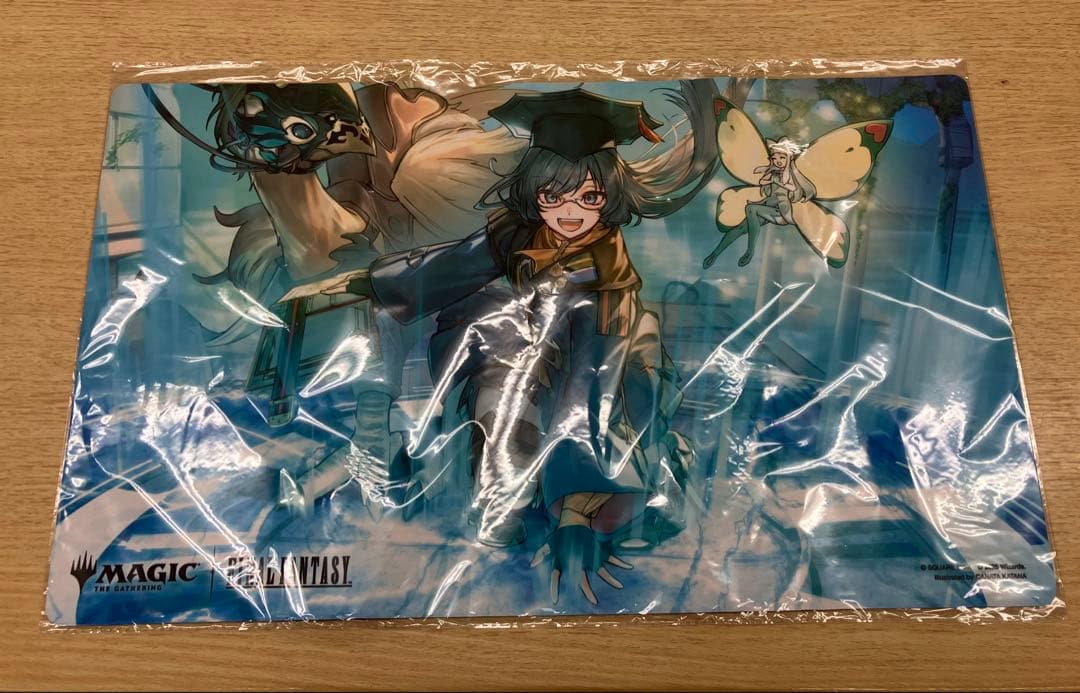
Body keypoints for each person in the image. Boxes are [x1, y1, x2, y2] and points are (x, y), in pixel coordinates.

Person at [327, 83, 718, 604]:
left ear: (610, 196)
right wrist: (372, 281)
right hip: (525, 335)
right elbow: (451, 265)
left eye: (589, 198)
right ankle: (506, 494)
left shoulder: (607, 282)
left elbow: (589, 389)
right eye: (552, 197)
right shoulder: (516, 232)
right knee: (499, 381)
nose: (570, 212)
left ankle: (589, 499)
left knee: (621, 404)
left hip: (610, 358)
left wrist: (575, 512)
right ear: (533, 193)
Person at [702, 137, 816, 268]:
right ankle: (715, 254)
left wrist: (775, 181)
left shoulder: (791, 175)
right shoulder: (774, 173)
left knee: (751, 208)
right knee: (740, 228)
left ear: (789, 158)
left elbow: (792, 190)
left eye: (782, 158)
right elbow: (768, 189)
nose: (778, 161)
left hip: (783, 213)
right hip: (768, 208)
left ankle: (750, 251)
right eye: (775, 158)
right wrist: (766, 180)